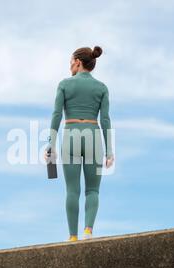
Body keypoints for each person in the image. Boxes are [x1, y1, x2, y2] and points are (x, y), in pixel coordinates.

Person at [44, 46, 114, 242]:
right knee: (92, 190)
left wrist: (50, 144)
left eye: (70, 62)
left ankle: (73, 237)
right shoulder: (102, 88)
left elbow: (57, 115)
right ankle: (88, 232)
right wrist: (109, 150)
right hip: (93, 136)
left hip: (71, 134)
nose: (69, 67)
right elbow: (106, 120)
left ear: (77, 62)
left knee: (72, 190)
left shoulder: (64, 85)